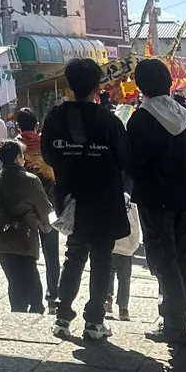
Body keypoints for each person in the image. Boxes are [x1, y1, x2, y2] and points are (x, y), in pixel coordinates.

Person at [42, 58, 130, 341]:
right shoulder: (109, 121)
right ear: (97, 87)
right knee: (102, 259)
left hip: (70, 199)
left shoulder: (55, 118)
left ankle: (62, 316)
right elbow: (123, 160)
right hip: (104, 198)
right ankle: (94, 321)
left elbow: (48, 156)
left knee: (74, 255)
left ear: (69, 85)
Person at [127, 58, 186, 346]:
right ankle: (181, 315)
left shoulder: (141, 119)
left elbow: (132, 164)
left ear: (141, 85)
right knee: (182, 256)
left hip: (155, 199)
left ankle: (175, 323)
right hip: (184, 197)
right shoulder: (184, 115)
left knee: (162, 259)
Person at [0, 139, 53, 311]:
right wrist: (47, 227)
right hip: (24, 238)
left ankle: (20, 310)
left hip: (0, 238)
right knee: (29, 277)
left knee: (14, 278)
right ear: (17, 157)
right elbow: (44, 209)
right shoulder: (31, 180)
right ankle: (32, 310)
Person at [16, 106, 60, 307]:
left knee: (28, 253)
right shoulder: (47, 142)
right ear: (36, 125)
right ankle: (53, 296)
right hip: (49, 204)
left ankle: (32, 294)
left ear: (17, 126)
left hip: (25, 208)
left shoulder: (15, 147)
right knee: (52, 252)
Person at [108, 193, 141, 320]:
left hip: (109, 243)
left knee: (108, 274)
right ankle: (123, 307)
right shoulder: (128, 199)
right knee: (124, 278)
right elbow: (135, 223)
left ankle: (107, 300)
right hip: (126, 246)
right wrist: (134, 243)